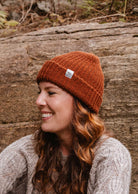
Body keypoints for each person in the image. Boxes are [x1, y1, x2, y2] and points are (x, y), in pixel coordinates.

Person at [0, 51, 131, 194]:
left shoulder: (111, 154)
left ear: (80, 103)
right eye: (40, 92)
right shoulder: (28, 150)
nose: (38, 101)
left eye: (50, 93)